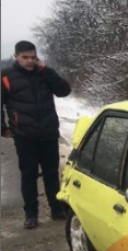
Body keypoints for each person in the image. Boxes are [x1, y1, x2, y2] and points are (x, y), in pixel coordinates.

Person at [1, 40, 72, 229]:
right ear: (16, 56)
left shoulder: (44, 74)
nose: (30, 61)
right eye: (25, 57)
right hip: (24, 135)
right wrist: (3, 127)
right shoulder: (6, 76)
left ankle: (56, 210)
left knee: (51, 174)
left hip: (48, 132)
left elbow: (64, 91)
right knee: (29, 175)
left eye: (33, 57)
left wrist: (47, 70)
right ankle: (31, 214)